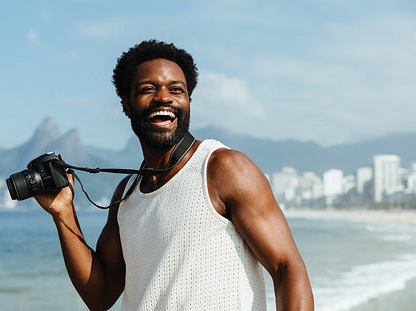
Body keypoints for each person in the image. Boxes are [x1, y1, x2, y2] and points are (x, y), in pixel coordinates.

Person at [34, 40, 314, 310]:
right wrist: (63, 213)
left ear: (188, 100)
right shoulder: (126, 194)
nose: (164, 97)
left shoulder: (223, 168)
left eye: (176, 90)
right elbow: (100, 296)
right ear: (126, 105)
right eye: (148, 89)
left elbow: (287, 268)